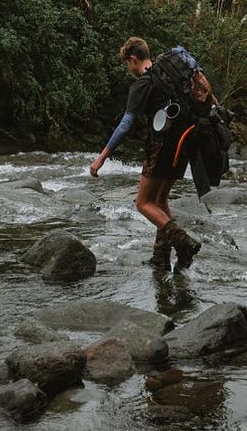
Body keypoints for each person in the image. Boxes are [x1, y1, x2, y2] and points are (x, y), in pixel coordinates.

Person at [89, 37, 208, 269]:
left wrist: (102, 157)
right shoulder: (171, 79)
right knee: (160, 199)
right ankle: (161, 257)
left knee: (143, 203)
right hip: (185, 142)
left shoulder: (144, 83)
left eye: (128, 63)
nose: (129, 69)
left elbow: (126, 124)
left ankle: (183, 242)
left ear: (133, 59)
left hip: (162, 146)